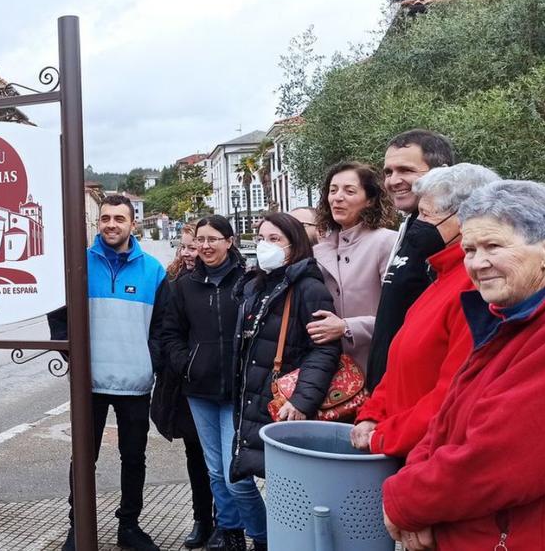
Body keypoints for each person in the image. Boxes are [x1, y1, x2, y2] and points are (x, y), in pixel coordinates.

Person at [382, 180, 545, 551]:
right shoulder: (508, 316)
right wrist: (414, 485)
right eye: (470, 249)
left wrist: (404, 502)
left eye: (494, 246)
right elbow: (445, 422)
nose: (478, 263)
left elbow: (501, 461)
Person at [351, 164, 499, 457]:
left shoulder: (476, 288)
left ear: (463, 219)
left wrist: (385, 435)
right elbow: (399, 366)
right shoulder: (439, 277)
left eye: (427, 215)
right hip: (402, 445)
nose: (417, 224)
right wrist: (371, 414)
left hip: (427, 454)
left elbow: (453, 393)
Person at [49, 194, 169, 551]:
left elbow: (164, 326)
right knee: (84, 457)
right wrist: (70, 355)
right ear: (97, 223)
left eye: (119, 218)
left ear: (133, 224)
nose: (112, 224)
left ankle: (128, 527)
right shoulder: (77, 266)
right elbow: (58, 318)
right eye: (105, 218)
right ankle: (79, 526)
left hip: (135, 381)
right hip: (89, 382)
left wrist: (153, 360)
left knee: (134, 458)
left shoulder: (154, 271)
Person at [158, 215, 263, 551]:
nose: (205, 246)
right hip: (200, 391)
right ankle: (229, 531)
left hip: (239, 391)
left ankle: (262, 536)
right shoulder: (184, 286)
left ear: (229, 241)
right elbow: (170, 332)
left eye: (213, 239)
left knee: (237, 475)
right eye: (200, 239)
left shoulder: (250, 282)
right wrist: (185, 363)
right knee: (215, 470)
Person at [231, 213, 341, 487]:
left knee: (288, 487)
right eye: (260, 238)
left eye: (274, 239)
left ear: (295, 245)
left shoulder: (309, 288)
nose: (264, 245)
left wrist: (303, 401)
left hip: (285, 405)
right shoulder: (257, 286)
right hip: (255, 400)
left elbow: (324, 349)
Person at [367, 129, 456, 389]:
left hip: (418, 398)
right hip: (387, 392)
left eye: (405, 170)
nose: (394, 181)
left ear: (442, 173)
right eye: (388, 172)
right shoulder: (410, 226)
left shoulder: (445, 234)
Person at [152, 220, 216, 548]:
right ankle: (201, 518)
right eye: (186, 246)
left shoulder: (227, 279)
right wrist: (181, 363)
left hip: (217, 384)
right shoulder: (173, 280)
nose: (190, 252)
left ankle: (224, 521)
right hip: (184, 384)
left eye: (196, 245)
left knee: (219, 458)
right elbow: (165, 330)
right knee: (195, 455)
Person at [309, 162, 397, 375]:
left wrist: (347, 327)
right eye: (332, 190)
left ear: (370, 200)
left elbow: (401, 314)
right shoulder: (320, 250)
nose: (338, 197)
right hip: (331, 373)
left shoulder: (386, 242)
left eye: (349, 191)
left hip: (378, 366)